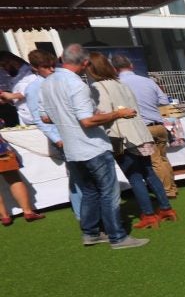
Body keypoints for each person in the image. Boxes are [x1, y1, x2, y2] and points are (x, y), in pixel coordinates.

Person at [38, 44, 147, 249]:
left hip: (72, 148)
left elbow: (45, 117)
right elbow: (87, 121)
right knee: (109, 192)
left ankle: (91, 233)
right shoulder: (77, 85)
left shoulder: (47, 83)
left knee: (89, 191)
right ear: (85, 62)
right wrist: (117, 114)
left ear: (62, 58)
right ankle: (117, 237)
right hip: (92, 146)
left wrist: (66, 116)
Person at [87, 53, 175, 229]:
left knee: (134, 176)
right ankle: (166, 208)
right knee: (149, 171)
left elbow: (103, 114)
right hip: (140, 132)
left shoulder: (98, 87)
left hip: (122, 137)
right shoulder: (121, 84)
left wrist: (99, 115)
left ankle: (148, 215)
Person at [112, 56, 177, 198]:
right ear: (131, 65)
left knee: (155, 161)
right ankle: (172, 187)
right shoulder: (148, 81)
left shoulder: (118, 85)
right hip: (159, 125)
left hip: (142, 128)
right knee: (163, 158)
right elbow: (164, 100)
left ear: (115, 69)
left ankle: (167, 191)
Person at [0, 49, 53, 224]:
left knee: (11, 175)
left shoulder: (28, 74)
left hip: (30, 116)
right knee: (12, 175)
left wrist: (9, 97)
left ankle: (5, 216)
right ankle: (27, 210)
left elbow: (28, 90)